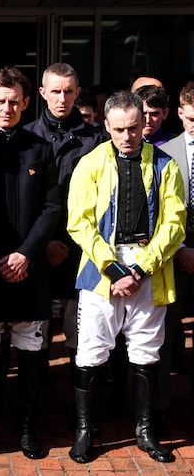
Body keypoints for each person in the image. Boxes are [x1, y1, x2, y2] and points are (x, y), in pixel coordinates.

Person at [66, 90, 184, 464]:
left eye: (133, 128)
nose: (127, 136)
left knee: (147, 350)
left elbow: (175, 224)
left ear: (143, 123)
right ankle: (85, 431)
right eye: (118, 130)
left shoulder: (167, 165)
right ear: (106, 125)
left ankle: (145, 431)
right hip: (103, 270)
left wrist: (141, 267)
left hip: (149, 267)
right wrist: (114, 268)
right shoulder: (90, 164)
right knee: (91, 351)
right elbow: (79, 223)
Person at [0, 66, 60, 461]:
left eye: (14, 102)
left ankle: (27, 430)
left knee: (32, 356)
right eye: (0, 101)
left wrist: (26, 254)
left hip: (29, 267)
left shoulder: (40, 149)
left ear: (25, 102)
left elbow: (52, 207)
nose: (7, 108)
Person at [24, 63, 103, 374]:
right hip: (38, 246)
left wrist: (75, 242)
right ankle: (33, 397)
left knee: (78, 330)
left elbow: (101, 200)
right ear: (42, 93)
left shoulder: (97, 139)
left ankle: (79, 404)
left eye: (68, 91)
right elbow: (24, 202)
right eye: (55, 91)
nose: (62, 98)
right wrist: (42, 243)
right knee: (36, 330)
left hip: (81, 249)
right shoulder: (27, 137)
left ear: (77, 92)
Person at [156, 81, 194, 435]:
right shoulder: (165, 153)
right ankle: (162, 410)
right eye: (191, 118)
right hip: (175, 255)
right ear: (180, 114)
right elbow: (162, 211)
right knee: (168, 334)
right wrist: (180, 248)